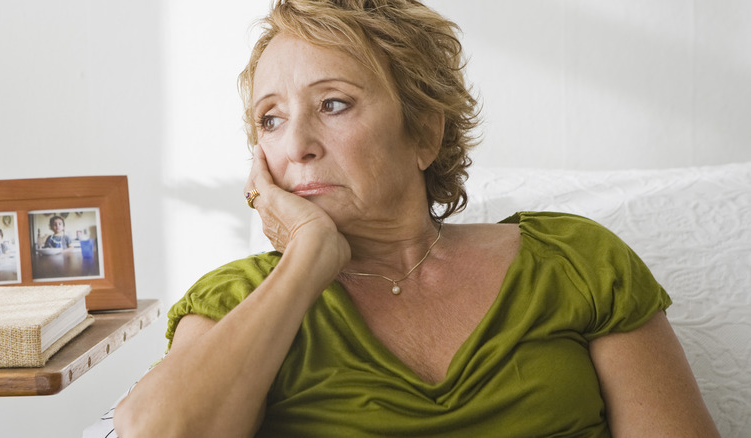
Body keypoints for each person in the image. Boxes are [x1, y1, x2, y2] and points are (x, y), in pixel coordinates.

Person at [114, 1, 720, 437]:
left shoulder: (576, 262)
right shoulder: (240, 300)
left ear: (425, 132)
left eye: (333, 104)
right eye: (270, 119)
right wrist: (306, 261)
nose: (296, 144)